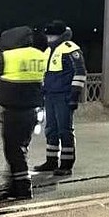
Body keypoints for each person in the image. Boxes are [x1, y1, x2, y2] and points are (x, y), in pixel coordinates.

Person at [0, 26, 47, 199]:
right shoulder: (40, 55)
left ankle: (22, 189)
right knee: (21, 149)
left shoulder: (9, 57)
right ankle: (15, 185)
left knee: (13, 150)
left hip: (15, 111)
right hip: (33, 110)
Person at [36, 20, 87, 176]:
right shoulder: (48, 50)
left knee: (65, 130)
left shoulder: (70, 49)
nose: (48, 38)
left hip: (64, 96)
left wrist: (74, 96)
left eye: (51, 36)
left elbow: (80, 73)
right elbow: (45, 75)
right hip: (50, 96)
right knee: (51, 130)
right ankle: (51, 161)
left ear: (58, 35)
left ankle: (66, 164)